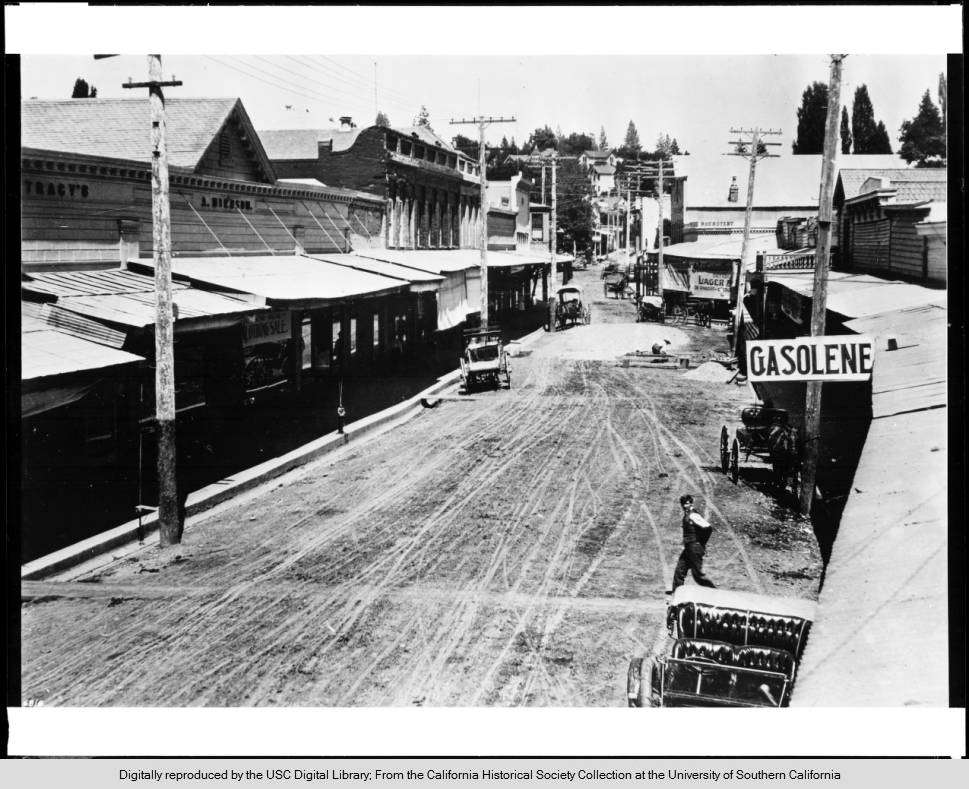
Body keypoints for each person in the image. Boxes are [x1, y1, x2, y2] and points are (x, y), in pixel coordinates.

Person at [668, 494, 716, 594]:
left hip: (694, 548)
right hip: (688, 548)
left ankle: (714, 593)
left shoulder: (693, 515)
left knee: (698, 575)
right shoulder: (687, 514)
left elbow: (708, 528)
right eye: (683, 504)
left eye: (687, 503)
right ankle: (676, 593)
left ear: (691, 503)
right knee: (680, 570)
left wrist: (700, 543)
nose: (685, 506)